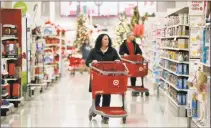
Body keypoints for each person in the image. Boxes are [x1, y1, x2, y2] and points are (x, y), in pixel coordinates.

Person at [85, 33, 120, 123]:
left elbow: (118, 59)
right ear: (100, 40)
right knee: (97, 95)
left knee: (107, 95)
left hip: (108, 77)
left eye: (108, 39)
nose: (107, 41)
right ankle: (95, 108)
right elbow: (87, 61)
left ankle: (105, 115)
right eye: (105, 39)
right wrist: (92, 61)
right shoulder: (94, 51)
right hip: (97, 77)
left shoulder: (113, 51)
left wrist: (117, 61)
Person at [119, 32, 143, 97]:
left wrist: (138, 54)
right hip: (126, 62)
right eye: (132, 35)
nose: (133, 36)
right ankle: (122, 89)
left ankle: (133, 89)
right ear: (128, 36)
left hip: (134, 62)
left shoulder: (135, 44)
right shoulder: (123, 44)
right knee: (125, 76)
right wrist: (124, 54)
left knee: (133, 75)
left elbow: (140, 51)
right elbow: (120, 51)